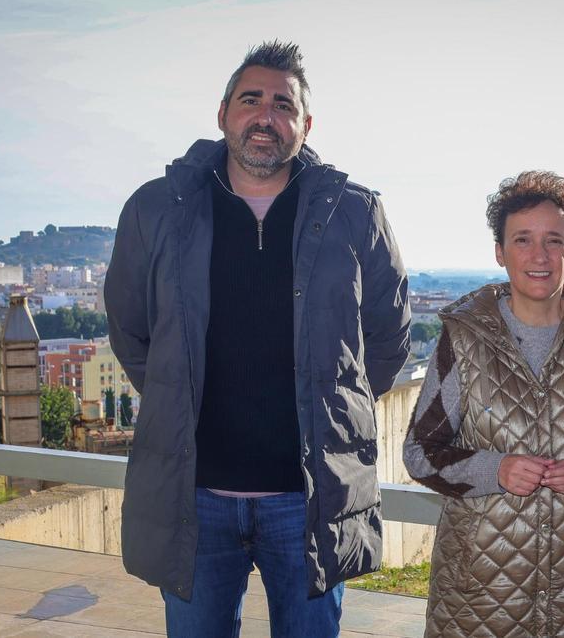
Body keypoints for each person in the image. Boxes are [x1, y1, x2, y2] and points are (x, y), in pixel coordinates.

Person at [104, 40, 410, 638]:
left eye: (283, 105)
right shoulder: (157, 210)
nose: (266, 116)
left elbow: (388, 335)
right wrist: (179, 392)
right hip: (195, 500)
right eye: (251, 100)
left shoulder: (354, 212)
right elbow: (131, 331)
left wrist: (330, 407)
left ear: (306, 125)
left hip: (310, 500)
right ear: (223, 114)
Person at [403, 171, 564, 637]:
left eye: (554, 240)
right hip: (479, 599)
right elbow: (420, 452)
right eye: (522, 239)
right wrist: (494, 470)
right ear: (500, 252)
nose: (539, 255)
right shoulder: (462, 338)